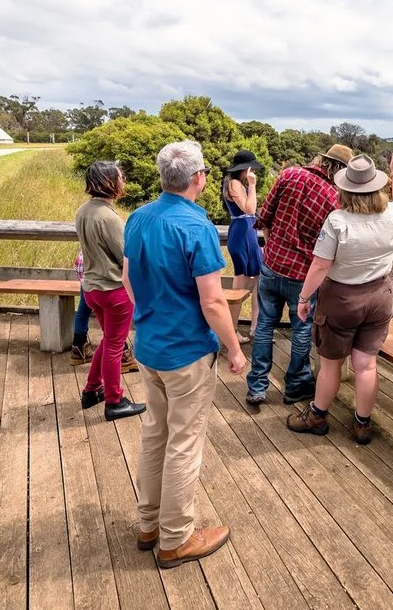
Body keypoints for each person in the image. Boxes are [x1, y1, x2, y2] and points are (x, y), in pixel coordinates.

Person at [123, 140, 246, 569]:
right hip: (187, 352)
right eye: (207, 172)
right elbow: (213, 302)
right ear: (198, 178)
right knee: (184, 444)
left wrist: (148, 316)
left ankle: (148, 524)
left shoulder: (138, 217)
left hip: (150, 345)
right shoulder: (197, 227)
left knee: (155, 433)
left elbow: (127, 277)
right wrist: (235, 348)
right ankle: (176, 539)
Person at [287, 150, 393, 445]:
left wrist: (304, 298)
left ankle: (317, 416)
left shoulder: (337, 220)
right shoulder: (391, 214)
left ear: (345, 188)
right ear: (376, 186)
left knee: (330, 364)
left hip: (341, 299)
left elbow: (321, 265)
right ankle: (362, 424)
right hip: (379, 296)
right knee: (366, 365)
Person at [245, 144, 352, 406]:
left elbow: (265, 217)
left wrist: (271, 250)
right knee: (301, 330)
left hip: (272, 265)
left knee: (264, 325)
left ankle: (257, 386)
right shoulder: (334, 198)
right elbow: (333, 247)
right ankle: (296, 385)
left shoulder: (289, 175)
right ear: (340, 171)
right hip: (303, 275)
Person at [74, 161, 146, 422]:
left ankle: (92, 390)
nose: (123, 180)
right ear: (110, 182)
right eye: (120, 177)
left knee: (108, 340)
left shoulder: (84, 211)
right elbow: (124, 257)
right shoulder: (109, 217)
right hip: (113, 289)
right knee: (116, 345)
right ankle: (115, 401)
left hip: (92, 288)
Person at [70, 249, 138, 373]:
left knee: (83, 307)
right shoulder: (111, 229)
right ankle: (123, 354)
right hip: (100, 270)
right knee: (114, 327)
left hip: (85, 263)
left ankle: (78, 347)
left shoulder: (86, 228)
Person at [222, 149, 263, 344]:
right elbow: (250, 209)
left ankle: (256, 326)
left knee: (257, 280)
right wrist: (252, 186)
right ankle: (233, 330)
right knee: (239, 285)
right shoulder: (234, 184)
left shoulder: (236, 183)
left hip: (248, 231)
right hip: (241, 232)